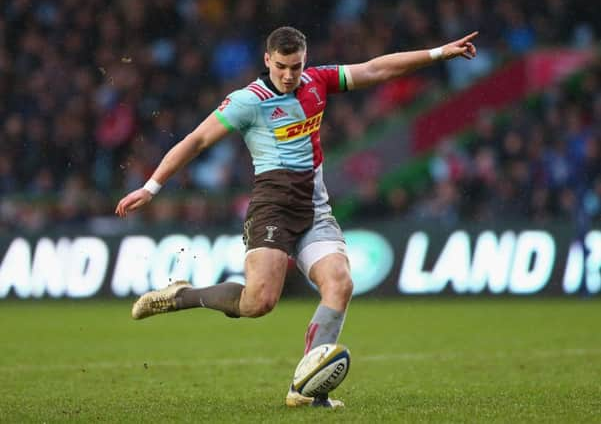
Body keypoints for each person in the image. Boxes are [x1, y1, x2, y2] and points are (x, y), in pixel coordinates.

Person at [115, 26, 478, 408]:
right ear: (267, 60)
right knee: (259, 303)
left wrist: (439, 53)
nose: (289, 75)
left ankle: (307, 390)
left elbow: (376, 70)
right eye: (282, 67)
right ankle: (181, 295)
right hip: (272, 207)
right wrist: (151, 187)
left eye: (296, 66)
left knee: (340, 284)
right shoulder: (247, 101)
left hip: (315, 208)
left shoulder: (317, 81)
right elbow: (197, 140)